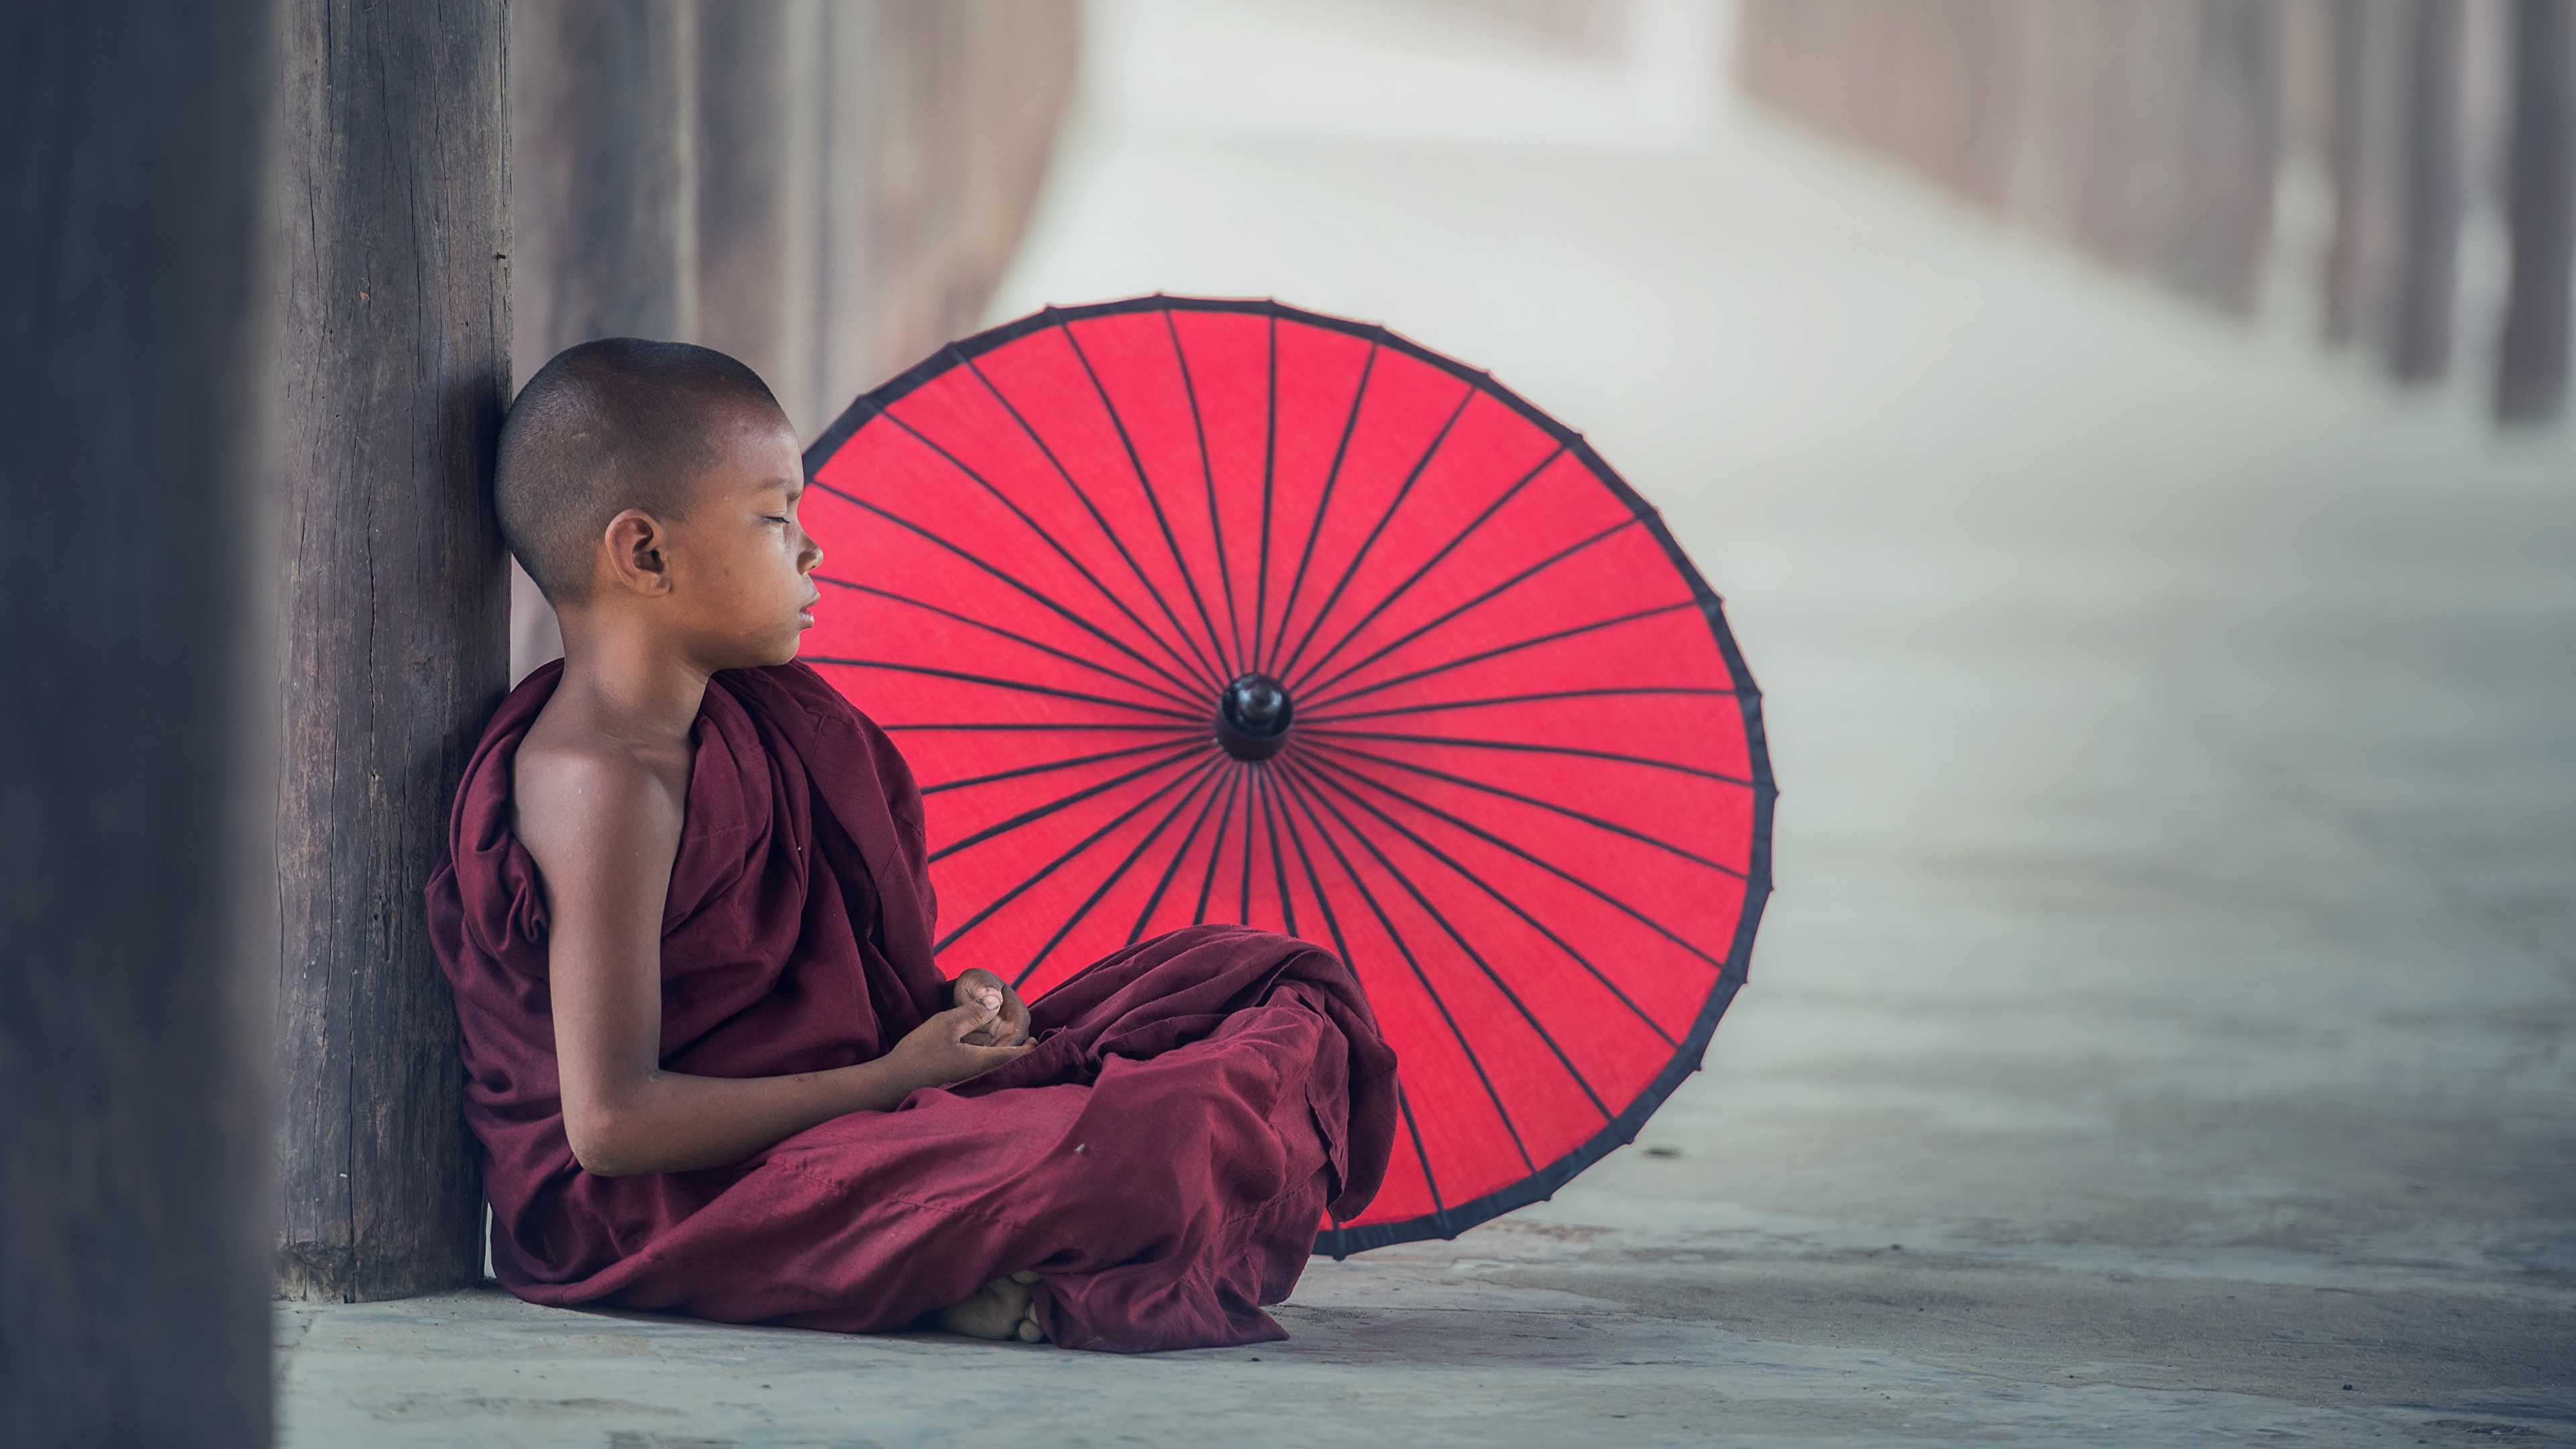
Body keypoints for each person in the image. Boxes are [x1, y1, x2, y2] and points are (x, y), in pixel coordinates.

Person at [427, 338, 1397, 1352]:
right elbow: (612, 1129)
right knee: (1162, 1133)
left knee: (1263, 984)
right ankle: (942, 1267)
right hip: (667, 1208)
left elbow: (834, 996)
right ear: (646, 555)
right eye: (774, 518)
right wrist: (895, 1078)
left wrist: (953, 1015)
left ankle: (951, 1260)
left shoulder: (754, 721)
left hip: (829, 1119)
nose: (810, 551)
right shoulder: (600, 783)